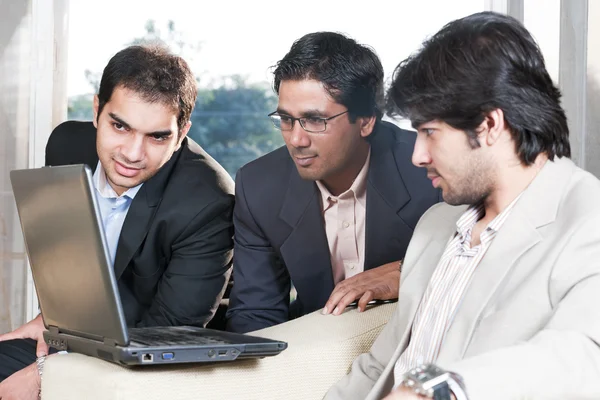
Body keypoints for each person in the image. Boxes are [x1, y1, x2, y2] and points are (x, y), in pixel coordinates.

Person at [325, 11, 600, 400]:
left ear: (489, 125)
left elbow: (584, 355)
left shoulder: (589, 221)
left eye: (430, 133)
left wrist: (443, 388)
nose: (418, 155)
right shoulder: (437, 223)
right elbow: (379, 366)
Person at [0, 45, 234, 399]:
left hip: (157, 361)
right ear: (97, 110)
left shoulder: (209, 201)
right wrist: (54, 320)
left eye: (157, 136)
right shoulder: (66, 146)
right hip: (81, 339)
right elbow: (68, 258)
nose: (132, 153)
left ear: (182, 131)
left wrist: (50, 374)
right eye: (120, 126)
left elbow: (166, 336)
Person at [226, 32, 440, 333]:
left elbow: (482, 266)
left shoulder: (430, 169)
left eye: (316, 120)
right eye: (286, 119)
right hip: (313, 353)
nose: (296, 139)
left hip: (413, 342)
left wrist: (406, 272)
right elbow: (256, 315)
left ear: (366, 121)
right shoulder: (259, 185)